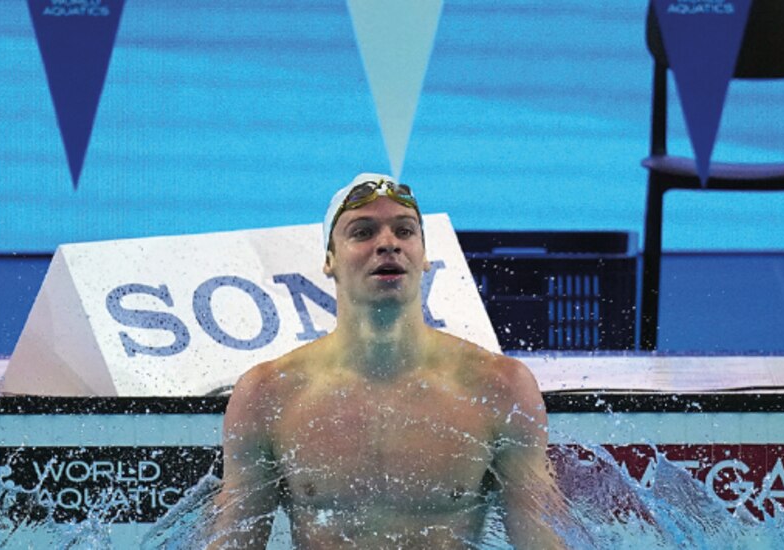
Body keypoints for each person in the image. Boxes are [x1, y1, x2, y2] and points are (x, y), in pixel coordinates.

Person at [209, 173, 566, 548]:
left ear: (425, 257)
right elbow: (235, 541)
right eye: (362, 232)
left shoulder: (499, 385)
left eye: (405, 231)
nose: (387, 244)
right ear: (329, 260)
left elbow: (540, 539)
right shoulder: (268, 393)